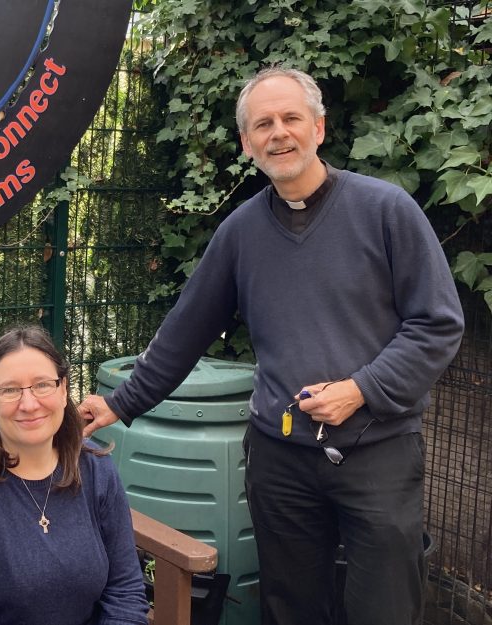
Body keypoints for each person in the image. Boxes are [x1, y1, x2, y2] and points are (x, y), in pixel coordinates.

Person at [79, 67, 465, 625]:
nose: (278, 132)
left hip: (377, 450)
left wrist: (361, 389)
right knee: (290, 608)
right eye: (263, 124)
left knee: (384, 608)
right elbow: (184, 333)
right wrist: (118, 403)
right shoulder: (240, 233)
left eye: (290, 118)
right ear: (247, 143)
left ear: (319, 127)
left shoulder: (386, 211)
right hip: (279, 457)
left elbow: (438, 323)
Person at [0, 325, 149, 625]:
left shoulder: (95, 467)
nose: (28, 404)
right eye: (10, 390)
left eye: (42, 385)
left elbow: (125, 591)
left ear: (63, 389)